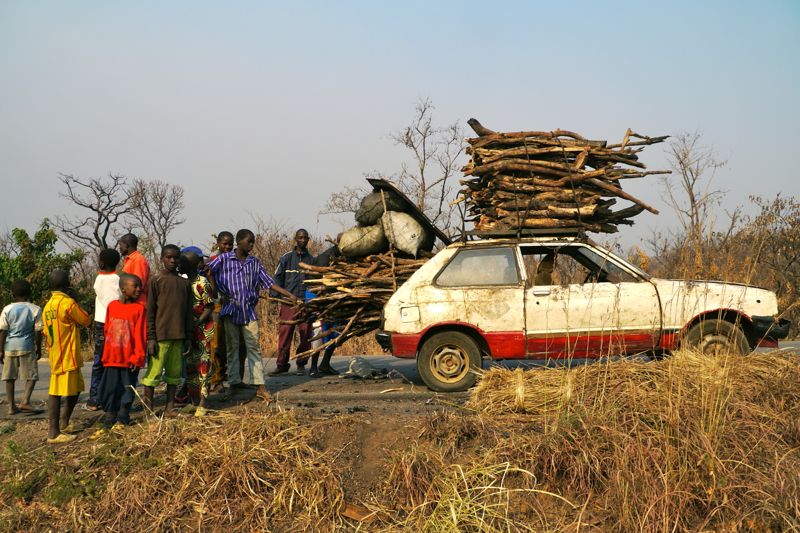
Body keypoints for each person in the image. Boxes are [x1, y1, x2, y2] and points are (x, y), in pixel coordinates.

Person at [206, 229, 299, 402]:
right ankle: (234, 383)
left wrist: (288, 294)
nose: (251, 244)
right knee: (232, 348)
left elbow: (269, 282)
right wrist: (215, 292)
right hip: (230, 310)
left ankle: (259, 385)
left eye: (253, 241)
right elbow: (206, 271)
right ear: (239, 241)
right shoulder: (224, 259)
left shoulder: (254, 262)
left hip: (248, 311)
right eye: (249, 241)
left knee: (253, 348)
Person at [142, 244, 192, 417]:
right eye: (169, 257)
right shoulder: (155, 280)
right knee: (153, 375)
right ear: (162, 258)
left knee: (173, 375)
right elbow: (150, 312)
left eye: (176, 257)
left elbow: (188, 313)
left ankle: (169, 409)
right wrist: (151, 337)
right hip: (160, 337)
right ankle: (148, 410)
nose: (172, 260)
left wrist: (188, 336)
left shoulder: (184, 283)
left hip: (178, 336)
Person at [92, 274, 146, 437]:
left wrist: (137, 357)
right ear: (123, 289)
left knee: (127, 389)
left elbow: (140, 335)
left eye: (139, 286)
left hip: (129, 360)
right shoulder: (112, 306)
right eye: (134, 286)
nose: (139, 289)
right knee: (110, 389)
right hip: (111, 358)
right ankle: (109, 419)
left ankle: (123, 418)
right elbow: (108, 329)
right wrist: (105, 354)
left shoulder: (139, 309)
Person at [42, 269, 92, 443]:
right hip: (67, 355)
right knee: (56, 392)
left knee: (77, 388)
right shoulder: (67, 303)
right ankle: (53, 433)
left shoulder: (48, 306)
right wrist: (76, 299)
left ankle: (64, 423)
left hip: (57, 354)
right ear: (66, 285)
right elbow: (85, 320)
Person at [270, 229, 314, 376]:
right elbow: (277, 278)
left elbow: (315, 282)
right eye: (300, 237)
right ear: (295, 239)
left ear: (308, 239)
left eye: (305, 238)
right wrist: (274, 299)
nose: (303, 240)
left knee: (306, 333)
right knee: (285, 333)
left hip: (304, 303)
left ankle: (301, 364)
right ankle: (281, 364)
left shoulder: (311, 260)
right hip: (288, 303)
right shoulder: (286, 258)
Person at [207, 231, 245, 392]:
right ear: (218, 243)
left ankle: (237, 378)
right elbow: (209, 284)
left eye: (230, 244)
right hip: (217, 306)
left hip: (236, 306)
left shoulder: (236, 260)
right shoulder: (213, 261)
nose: (228, 247)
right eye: (224, 244)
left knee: (239, 343)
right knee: (217, 344)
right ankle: (217, 379)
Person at [0, 279, 43, 415]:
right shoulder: (35, 309)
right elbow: (38, 330)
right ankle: (25, 400)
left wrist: (0, 349)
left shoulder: (7, 309)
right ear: (29, 293)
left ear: (12, 294)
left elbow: (3, 330)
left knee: (9, 377)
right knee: (31, 376)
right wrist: (38, 347)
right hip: (27, 346)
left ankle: (11, 407)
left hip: (9, 347)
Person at [180, 250, 215, 416]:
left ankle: (203, 402)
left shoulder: (202, 283)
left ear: (190, 265)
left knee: (203, 365)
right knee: (190, 366)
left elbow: (210, 307)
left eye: (182, 263)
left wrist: (197, 322)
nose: (179, 265)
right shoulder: (183, 282)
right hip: (189, 331)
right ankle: (193, 401)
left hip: (202, 329)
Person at [86, 248, 121, 411]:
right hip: (117, 322)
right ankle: (111, 396)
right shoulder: (119, 279)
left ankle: (95, 399)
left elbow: (108, 303)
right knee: (113, 361)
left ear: (101, 262)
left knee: (99, 362)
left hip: (102, 323)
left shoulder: (100, 280)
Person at [305, 242, 341, 378]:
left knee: (334, 332)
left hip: (332, 299)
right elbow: (315, 284)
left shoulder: (342, 256)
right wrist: (316, 307)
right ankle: (313, 367)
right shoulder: (324, 258)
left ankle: (325, 364)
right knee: (318, 332)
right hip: (316, 296)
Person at [118, 233, 150, 305]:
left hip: (138, 303)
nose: (119, 248)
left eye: (121, 245)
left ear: (126, 245)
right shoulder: (130, 259)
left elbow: (138, 283)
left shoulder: (138, 260)